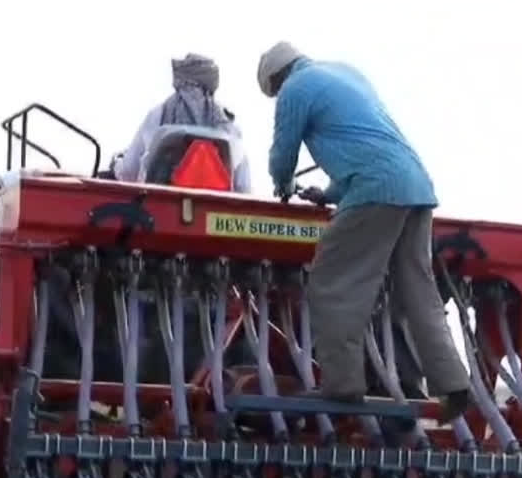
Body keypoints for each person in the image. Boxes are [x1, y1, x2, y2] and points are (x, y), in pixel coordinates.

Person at [254, 41, 470, 422]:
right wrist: (330, 193)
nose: (277, 98)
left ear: (275, 79)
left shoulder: (294, 88)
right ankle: (453, 384)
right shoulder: (345, 72)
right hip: (416, 186)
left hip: (375, 191)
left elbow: (283, 151)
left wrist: (282, 183)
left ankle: (342, 384)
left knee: (332, 282)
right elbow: (367, 144)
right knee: (419, 291)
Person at [111, 53, 252, 191]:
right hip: (216, 211)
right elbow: (243, 186)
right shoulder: (228, 126)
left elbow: (129, 173)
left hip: (158, 207)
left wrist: (117, 163)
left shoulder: (158, 114)